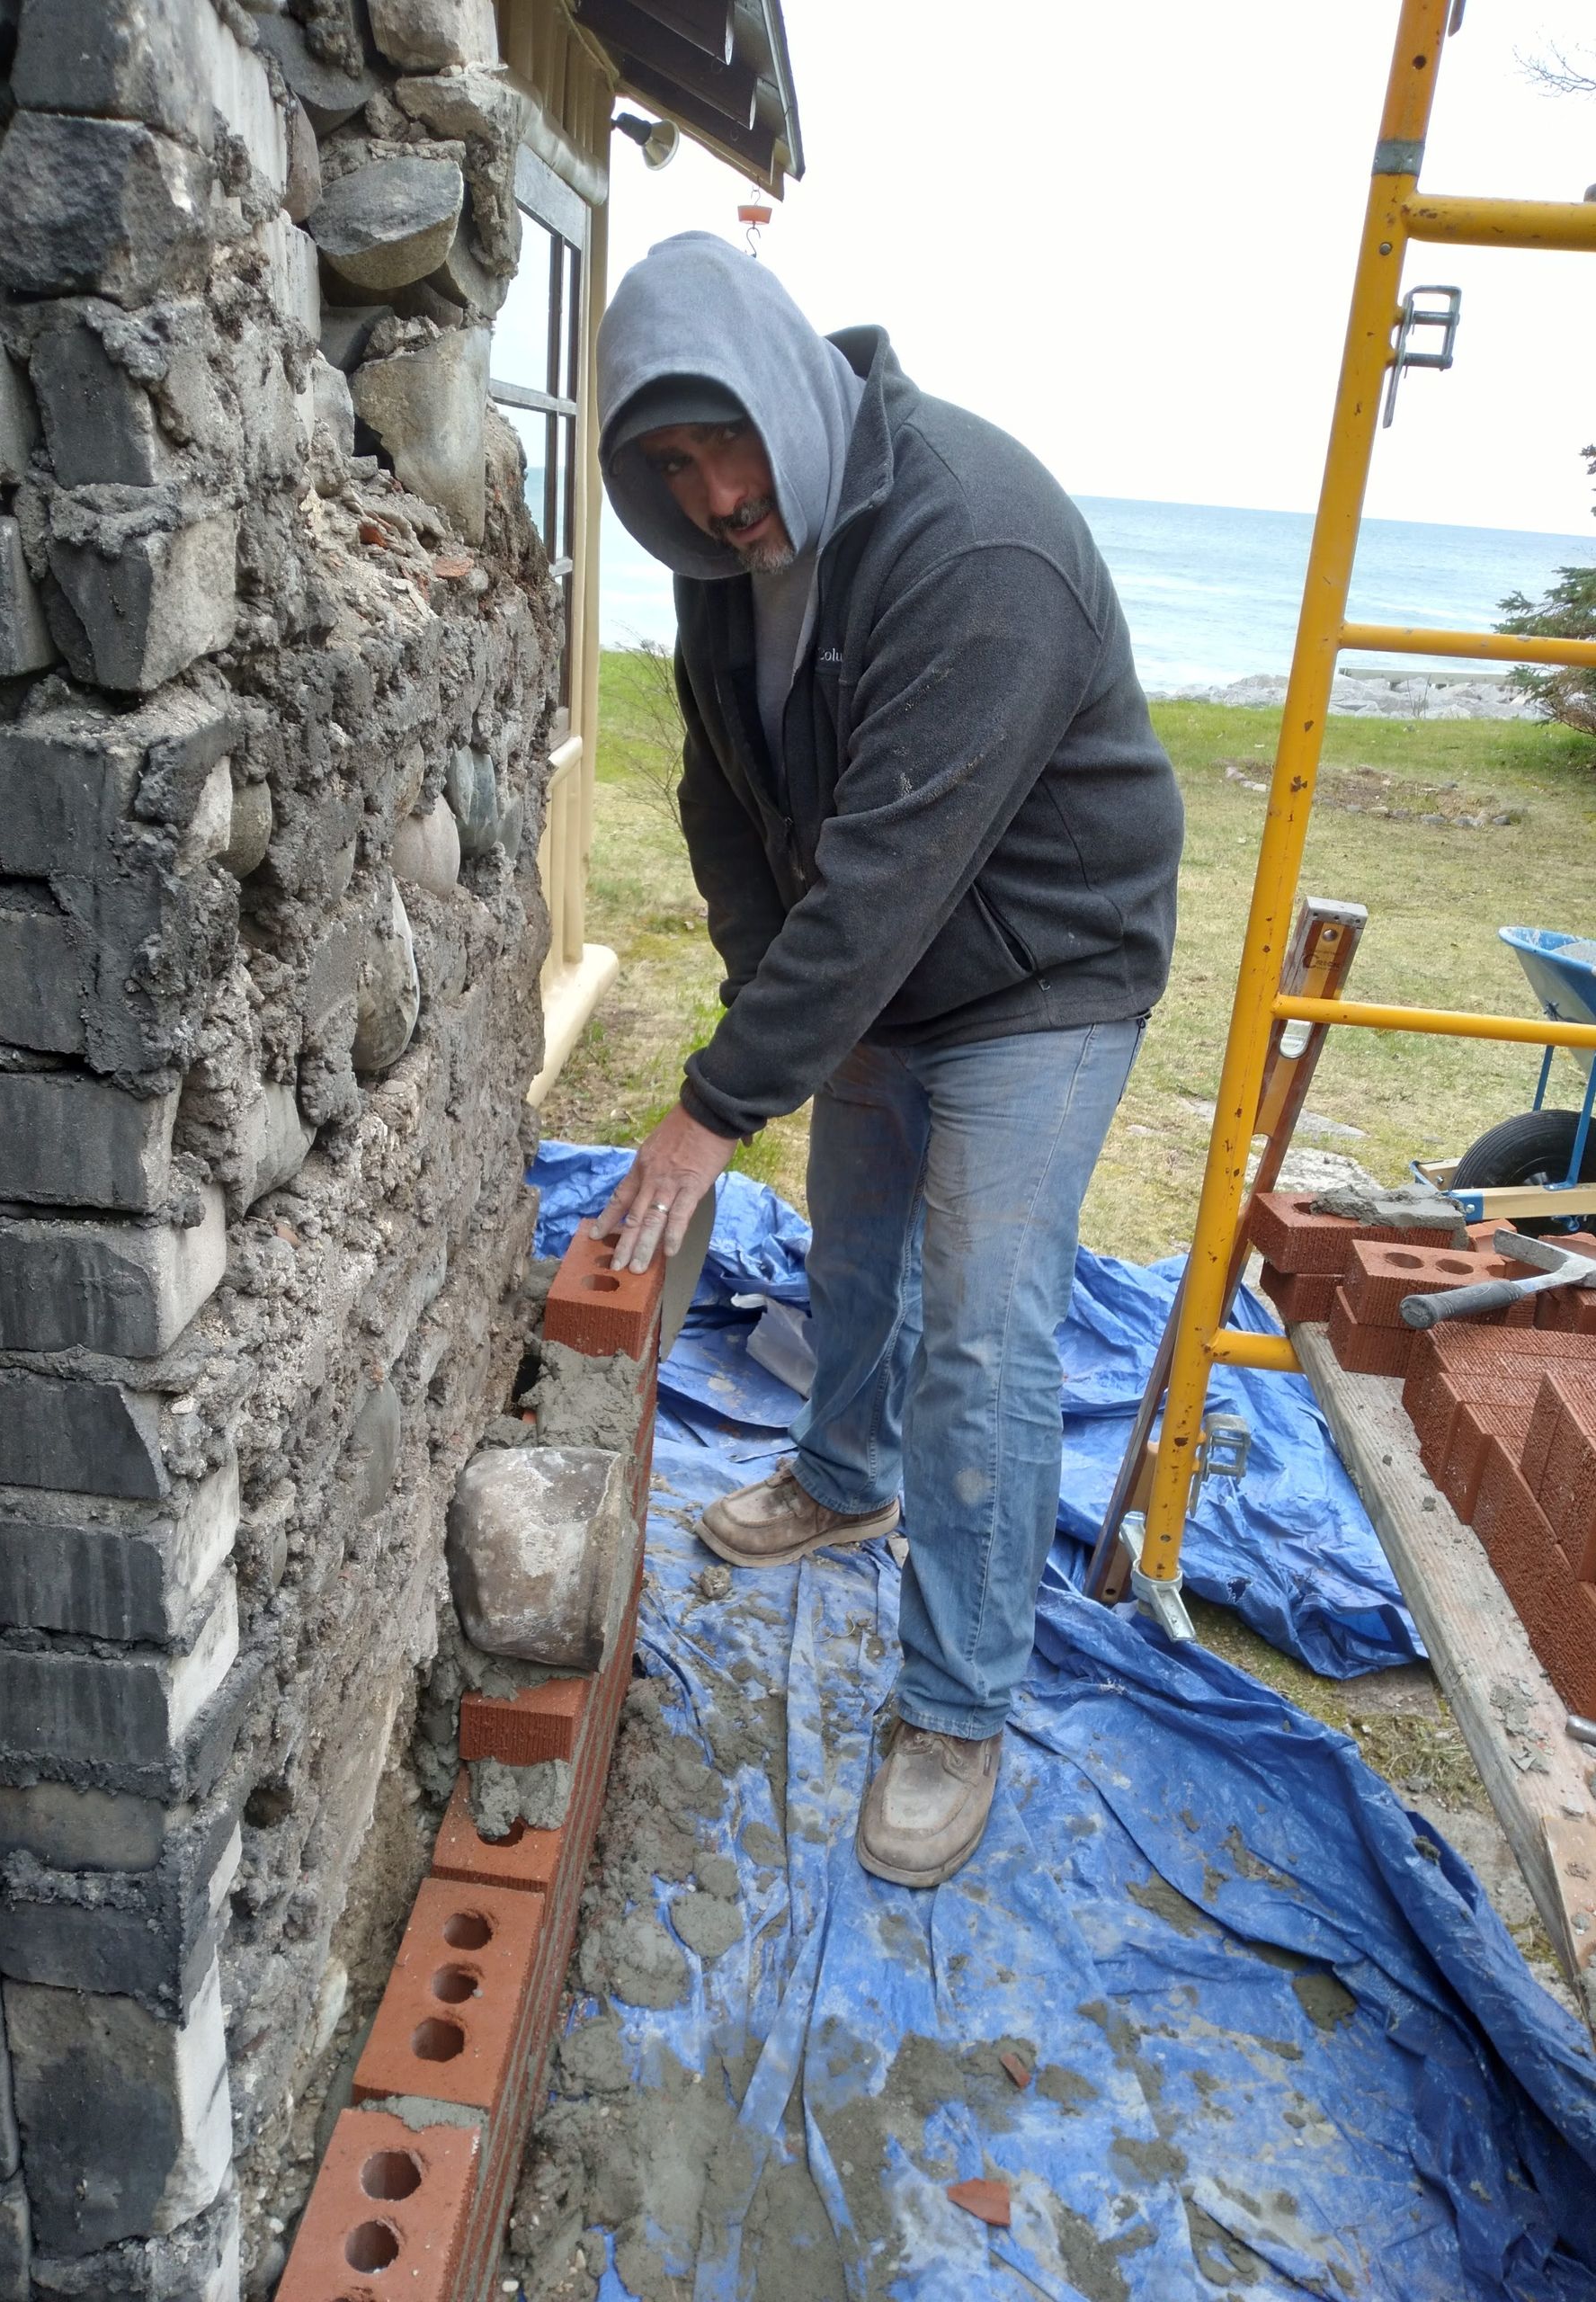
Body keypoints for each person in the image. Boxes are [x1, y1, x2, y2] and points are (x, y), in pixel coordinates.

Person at [591, 233, 1183, 1888]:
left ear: (792, 387)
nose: (712, 494)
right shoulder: (731, 567)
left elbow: (889, 872)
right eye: (672, 463)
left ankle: (958, 1697)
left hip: (1044, 970)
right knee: (855, 1253)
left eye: (726, 445)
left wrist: (717, 1104)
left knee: (983, 1331)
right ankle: (844, 1480)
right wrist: (760, 1004)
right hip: (883, 970)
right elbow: (728, 808)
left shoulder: (973, 542)